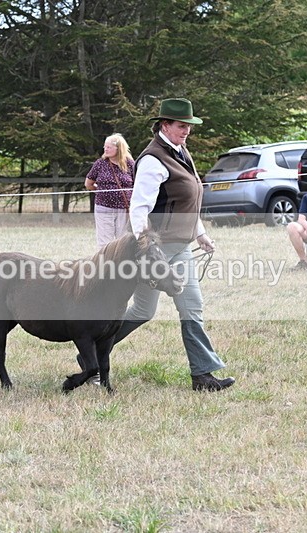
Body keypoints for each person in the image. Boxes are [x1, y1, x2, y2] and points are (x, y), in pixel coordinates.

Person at [82, 98, 235, 393]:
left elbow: (186, 203)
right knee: (143, 311)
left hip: (180, 246)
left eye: (189, 126)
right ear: (165, 125)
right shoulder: (153, 160)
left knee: (192, 306)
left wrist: (199, 233)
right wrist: (147, 249)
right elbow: (139, 209)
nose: (187, 130)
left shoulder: (179, 151)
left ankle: (202, 375)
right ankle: (90, 354)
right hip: (156, 250)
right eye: (181, 126)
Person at [85, 133, 135, 248]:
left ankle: (121, 264)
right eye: (105, 147)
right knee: (104, 243)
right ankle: (104, 264)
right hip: (104, 208)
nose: (105, 149)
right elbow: (88, 184)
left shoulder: (130, 164)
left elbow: (137, 184)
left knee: (122, 241)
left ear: (119, 148)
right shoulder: (100, 164)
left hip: (124, 209)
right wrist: (103, 191)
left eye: (109, 147)